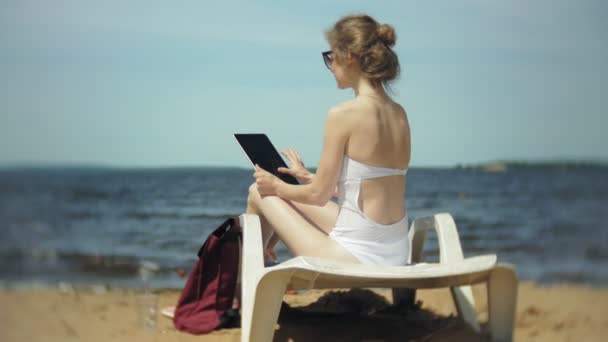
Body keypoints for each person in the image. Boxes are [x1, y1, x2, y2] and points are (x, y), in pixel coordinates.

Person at [247, 14, 411, 266]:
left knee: (257, 192)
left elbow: (317, 196)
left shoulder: (343, 114)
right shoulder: (398, 113)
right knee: (281, 192)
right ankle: (259, 265)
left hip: (355, 256)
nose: (331, 66)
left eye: (331, 57)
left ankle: (244, 289)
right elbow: (368, 185)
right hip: (396, 251)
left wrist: (275, 185)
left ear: (349, 57)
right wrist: (308, 177)